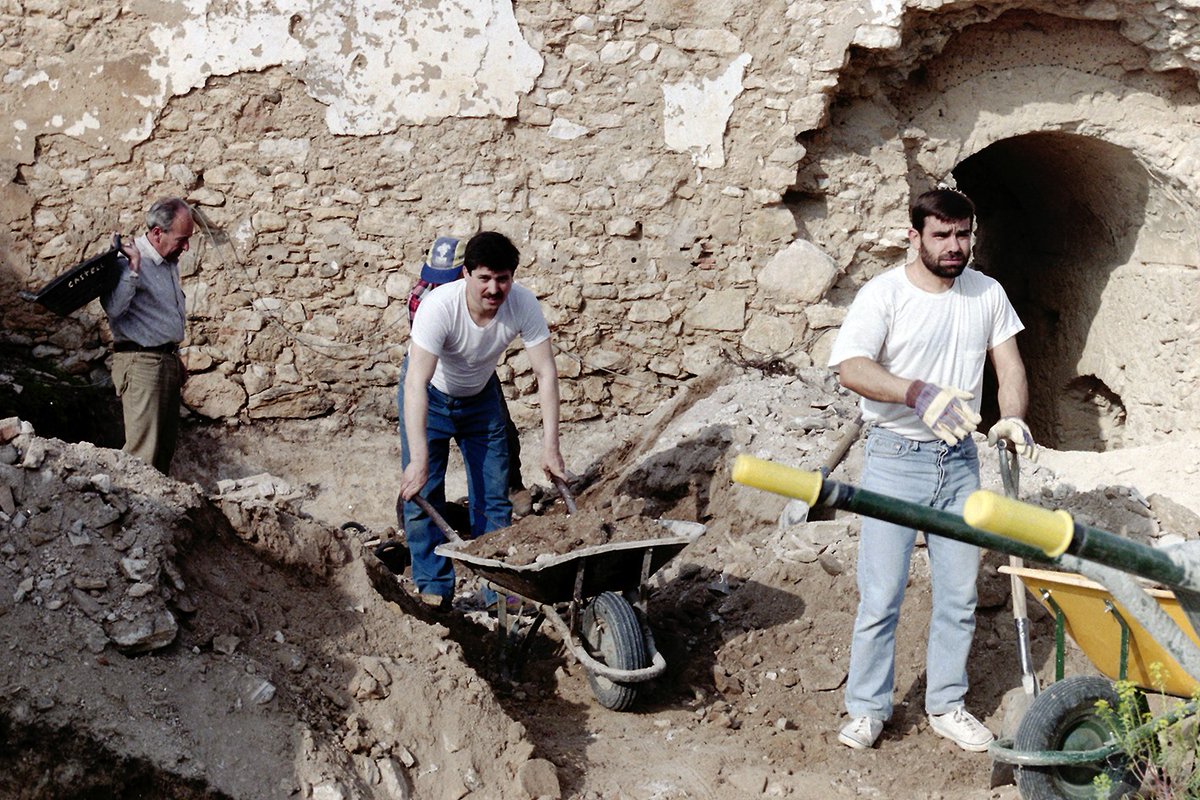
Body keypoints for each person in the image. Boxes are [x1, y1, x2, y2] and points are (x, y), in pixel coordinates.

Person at [827, 188, 1037, 752]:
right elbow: (851, 367)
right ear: (914, 236)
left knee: (958, 593)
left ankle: (946, 703)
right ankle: (869, 709)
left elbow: (1009, 365)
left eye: (963, 234)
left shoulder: (986, 292)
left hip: (960, 462)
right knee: (882, 594)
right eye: (941, 235)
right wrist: (917, 393)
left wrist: (1012, 420)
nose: (954, 246)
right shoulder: (885, 295)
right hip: (896, 457)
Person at [398, 231, 568, 609]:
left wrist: (551, 448)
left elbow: (546, 374)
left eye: (503, 278)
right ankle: (434, 587)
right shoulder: (440, 307)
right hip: (432, 397)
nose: (494, 288)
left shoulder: (522, 303)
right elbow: (415, 382)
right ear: (466, 274)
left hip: (481, 400)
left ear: (513, 277)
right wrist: (419, 458)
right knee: (423, 492)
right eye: (485, 278)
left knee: (494, 497)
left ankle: (496, 588)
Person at [408, 235, 532, 517]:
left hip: (479, 371)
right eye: (435, 279)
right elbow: (418, 375)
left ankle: (511, 485)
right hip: (436, 374)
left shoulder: (497, 294)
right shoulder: (424, 300)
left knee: (502, 434)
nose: (439, 286)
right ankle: (415, 510)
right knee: (423, 459)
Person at [101, 197, 195, 475]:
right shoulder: (127, 260)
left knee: (163, 452)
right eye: (182, 239)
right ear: (157, 233)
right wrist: (133, 267)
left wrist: (172, 357)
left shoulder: (168, 261)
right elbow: (114, 309)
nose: (186, 246)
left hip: (163, 361)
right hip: (141, 365)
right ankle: (133, 515)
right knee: (143, 455)